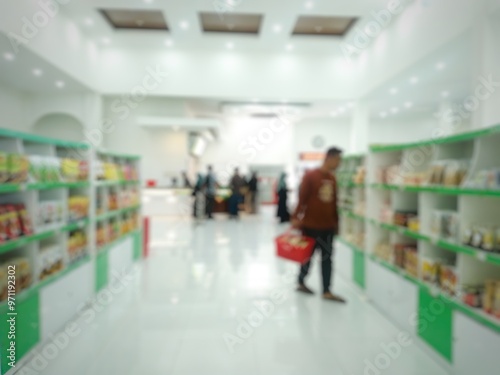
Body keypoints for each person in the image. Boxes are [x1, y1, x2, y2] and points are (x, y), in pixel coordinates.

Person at [291, 147, 345, 303]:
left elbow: (334, 203)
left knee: (327, 258)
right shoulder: (310, 176)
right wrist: (295, 217)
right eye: (338, 160)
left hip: (327, 226)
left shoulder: (333, 179)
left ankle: (327, 290)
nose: (339, 163)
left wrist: (336, 223)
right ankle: (301, 281)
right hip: (310, 225)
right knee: (307, 256)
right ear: (329, 158)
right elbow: (302, 199)